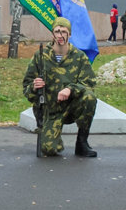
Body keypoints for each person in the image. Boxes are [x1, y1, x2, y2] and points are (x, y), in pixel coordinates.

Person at [23, 18, 98, 158]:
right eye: (57, 31)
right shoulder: (41, 56)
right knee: (49, 150)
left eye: (64, 31)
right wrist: (34, 86)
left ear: (69, 34)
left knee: (89, 98)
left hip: (71, 107)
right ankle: (52, 136)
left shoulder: (79, 57)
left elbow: (89, 84)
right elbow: (26, 87)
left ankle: (82, 143)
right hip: (50, 110)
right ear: (52, 34)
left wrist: (70, 89)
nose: (60, 35)